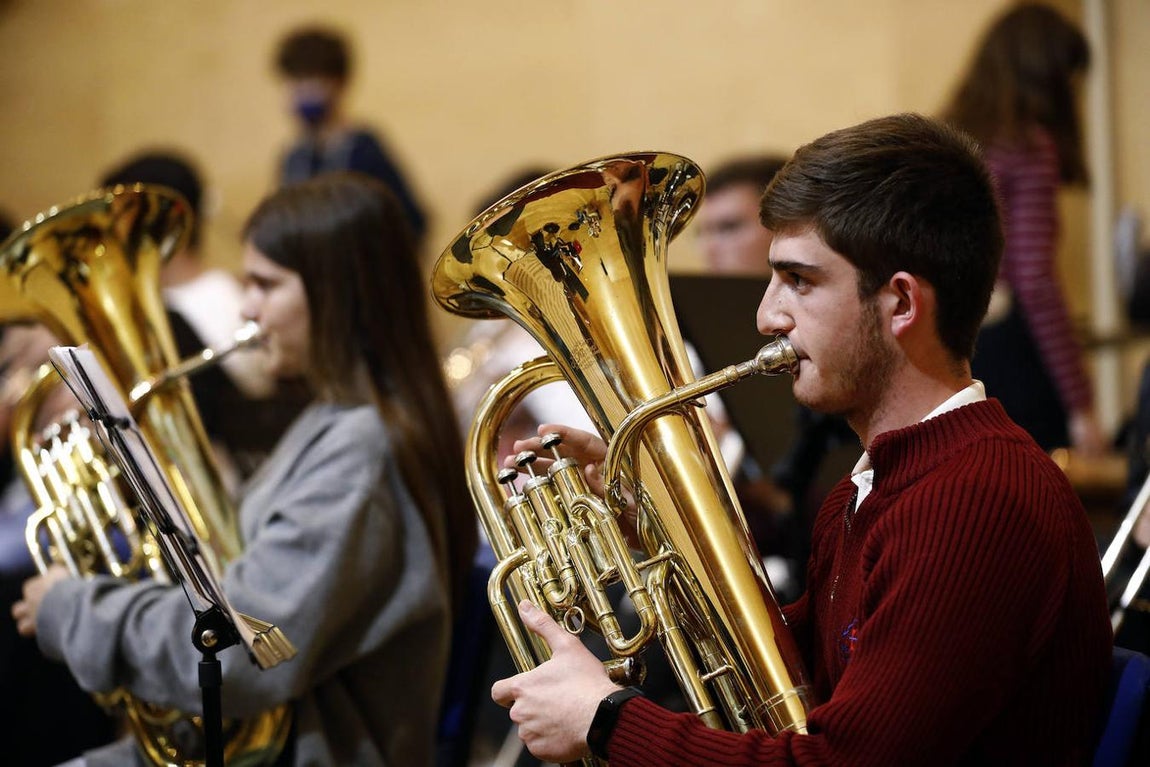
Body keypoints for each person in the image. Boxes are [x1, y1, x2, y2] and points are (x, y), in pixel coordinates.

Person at [490, 113, 1112, 766]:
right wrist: (649, 524)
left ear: (900, 303)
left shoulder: (975, 501)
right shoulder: (876, 485)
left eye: (800, 281)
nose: (766, 316)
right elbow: (790, 670)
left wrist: (607, 721)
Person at [11, 172, 477, 766]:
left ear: (337, 292)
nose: (246, 307)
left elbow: (240, 654)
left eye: (265, 284)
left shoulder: (361, 453)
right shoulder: (336, 424)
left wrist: (74, 610)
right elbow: (244, 578)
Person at [942, 2, 1105, 456]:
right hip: (1007, 347)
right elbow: (1034, 280)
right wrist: (1081, 404)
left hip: (949, 341)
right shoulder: (1028, 145)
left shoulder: (951, 140)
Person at [99, 150, 305, 483]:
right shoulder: (164, 304)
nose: (108, 239)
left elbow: (239, 412)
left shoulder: (217, 300)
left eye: (114, 220)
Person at [274, 25, 427, 246]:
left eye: (308, 81)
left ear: (338, 83)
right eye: (292, 82)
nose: (297, 93)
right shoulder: (294, 158)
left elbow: (412, 224)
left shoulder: (365, 150)